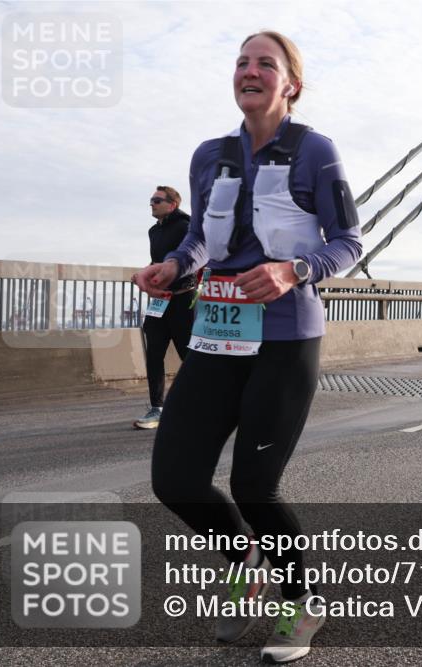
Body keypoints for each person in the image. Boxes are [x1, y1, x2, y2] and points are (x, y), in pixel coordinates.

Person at [134, 31, 362, 663]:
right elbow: (201, 245)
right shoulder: (209, 156)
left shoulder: (316, 150)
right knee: (174, 478)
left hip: (286, 338)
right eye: (241, 62)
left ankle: (303, 600)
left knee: (255, 484)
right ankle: (247, 561)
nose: (251, 71)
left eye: (267, 63)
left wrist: (295, 269)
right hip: (215, 335)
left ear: (290, 83)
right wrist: (173, 269)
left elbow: (348, 241)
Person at [132, 186, 196, 429]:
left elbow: (193, 258)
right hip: (160, 302)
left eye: (157, 200)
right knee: (154, 354)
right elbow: (156, 261)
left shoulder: (186, 226)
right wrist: (144, 275)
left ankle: (197, 403)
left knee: (188, 356)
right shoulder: (153, 232)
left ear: (172, 204)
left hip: (182, 299)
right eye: (151, 200)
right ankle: (156, 408)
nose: (152, 204)